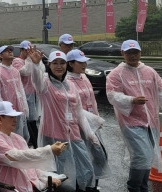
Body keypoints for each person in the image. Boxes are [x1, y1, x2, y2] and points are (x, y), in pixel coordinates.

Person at [106, 40, 162, 192]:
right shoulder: (116, 74)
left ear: (140, 53)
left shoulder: (150, 72)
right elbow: (112, 96)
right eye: (129, 53)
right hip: (130, 122)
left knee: (148, 157)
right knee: (141, 156)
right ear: (122, 54)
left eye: (135, 52)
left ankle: (142, 187)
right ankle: (133, 187)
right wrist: (131, 100)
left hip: (151, 121)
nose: (132, 56)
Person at [30, 49, 99, 192]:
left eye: (62, 63)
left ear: (67, 64)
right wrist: (36, 65)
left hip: (73, 133)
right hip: (54, 135)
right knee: (59, 171)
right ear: (49, 65)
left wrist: (90, 134)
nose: (59, 66)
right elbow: (36, 81)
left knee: (85, 165)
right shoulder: (45, 83)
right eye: (54, 63)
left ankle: (84, 188)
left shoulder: (71, 85)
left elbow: (79, 112)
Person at [0, 101, 65, 192]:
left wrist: (46, 178)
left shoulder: (18, 138)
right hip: (12, 188)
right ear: (0, 119)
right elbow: (16, 156)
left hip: (31, 184)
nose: (15, 120)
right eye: (11, 117)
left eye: (15, 117)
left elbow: (31, 163)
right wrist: (49, 150)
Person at [66, 49, 109, 186]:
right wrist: (91, 121)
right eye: (80, 62)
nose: (84, 65)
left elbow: (92, 99)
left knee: (99, 156)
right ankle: (83, 185)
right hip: (78, 126)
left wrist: (96, 117)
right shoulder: (66, 81)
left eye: (85, 62)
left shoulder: (84, 77)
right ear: (71, 64)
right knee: (83, 158)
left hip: (92, 125)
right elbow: (72, 107)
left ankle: (92, 184)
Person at [0, 45, 30, 143]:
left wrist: (24, 107)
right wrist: (2, 111)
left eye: (10, 50)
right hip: (8, 112)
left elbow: (21, 90)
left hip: (18, 109)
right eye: (6, 51)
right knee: (10, 137)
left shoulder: (15, 71)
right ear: (0, 55)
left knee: (22, 137)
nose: (10, 52)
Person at [12, 40, 40, 148]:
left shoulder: (30, 61)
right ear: (21, 50)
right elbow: (25, 72)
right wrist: (30, 60)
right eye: (27, 50)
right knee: (28, 119)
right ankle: (32, 141)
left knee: (33, 118)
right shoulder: (17, 61)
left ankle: (34, 141)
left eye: (30, 50)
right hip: (24, 93)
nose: (29, 52)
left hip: (32, 92)